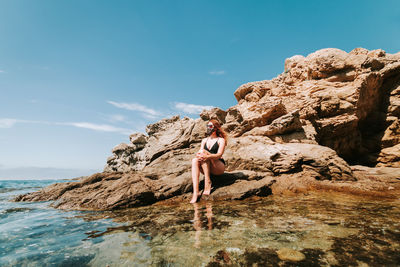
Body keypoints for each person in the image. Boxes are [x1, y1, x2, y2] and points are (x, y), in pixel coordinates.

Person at [190, 119, 227, 203]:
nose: (208, 128)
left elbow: (219, 155)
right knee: (195, 160)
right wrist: (200, 155)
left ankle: (208, 181)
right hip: (206, 165)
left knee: (203, 153)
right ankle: (196, 192)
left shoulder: (220, 140)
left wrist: (208, 156)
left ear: (216, 128)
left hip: (218, 166)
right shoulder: (204, 140)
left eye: (210, 126)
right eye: (207, 126)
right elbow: (199, 152)